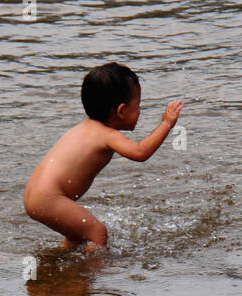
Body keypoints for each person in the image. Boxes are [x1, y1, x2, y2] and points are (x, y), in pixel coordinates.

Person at [23, 62, 182, 252]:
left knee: (78, 234)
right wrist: (166, 123)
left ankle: (65, 270)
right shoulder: (107, 135)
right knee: (98, 233)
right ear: (121, 111)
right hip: (49, 198)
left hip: (35, 194)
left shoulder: (85, 128)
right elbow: (140, 153)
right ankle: (91, 275)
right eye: (138, 105)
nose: (140, 111)